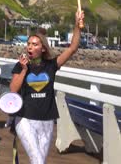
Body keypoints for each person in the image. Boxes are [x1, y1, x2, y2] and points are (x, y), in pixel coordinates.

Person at [10, 10, 84, 164]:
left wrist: (78, 26)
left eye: (34, 44)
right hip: (24, 118)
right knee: (37, 160)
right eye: (28, 44)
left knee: (40, 161)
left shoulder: (51, 65)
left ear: (43, 48)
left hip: (47, 120)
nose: (30, 47)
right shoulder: (21, 65)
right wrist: (24, 70)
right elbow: (13, 89)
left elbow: (72, 49)